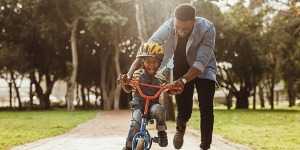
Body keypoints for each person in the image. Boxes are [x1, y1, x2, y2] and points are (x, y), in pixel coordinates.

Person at [123, 3, 217, 150]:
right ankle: (181, 128)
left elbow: (200, 63)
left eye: (185, 28)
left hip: (203, 68)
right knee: (185, 109)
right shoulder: (168, 27)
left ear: (194, 21)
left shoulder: (207, 28)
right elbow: (145, 51)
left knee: (206, 107)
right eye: (178, 26)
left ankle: (205, 146)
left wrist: (183, 80)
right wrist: (129, 74)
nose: (180, 31)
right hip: (181, 66)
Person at [119, 43, 177, 150]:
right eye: (148, 61)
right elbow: (128, 89)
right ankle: (128, 146)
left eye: (155, 62)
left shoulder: (160, 77)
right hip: (138, 106)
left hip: (152, 106)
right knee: (135, 124)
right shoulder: (136, 74)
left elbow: (167, 89)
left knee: (159, 109)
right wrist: (124, 83)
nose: (151, 64)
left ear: (159, 63)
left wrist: (173, 90)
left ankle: (162, 133)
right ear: (142, 62)